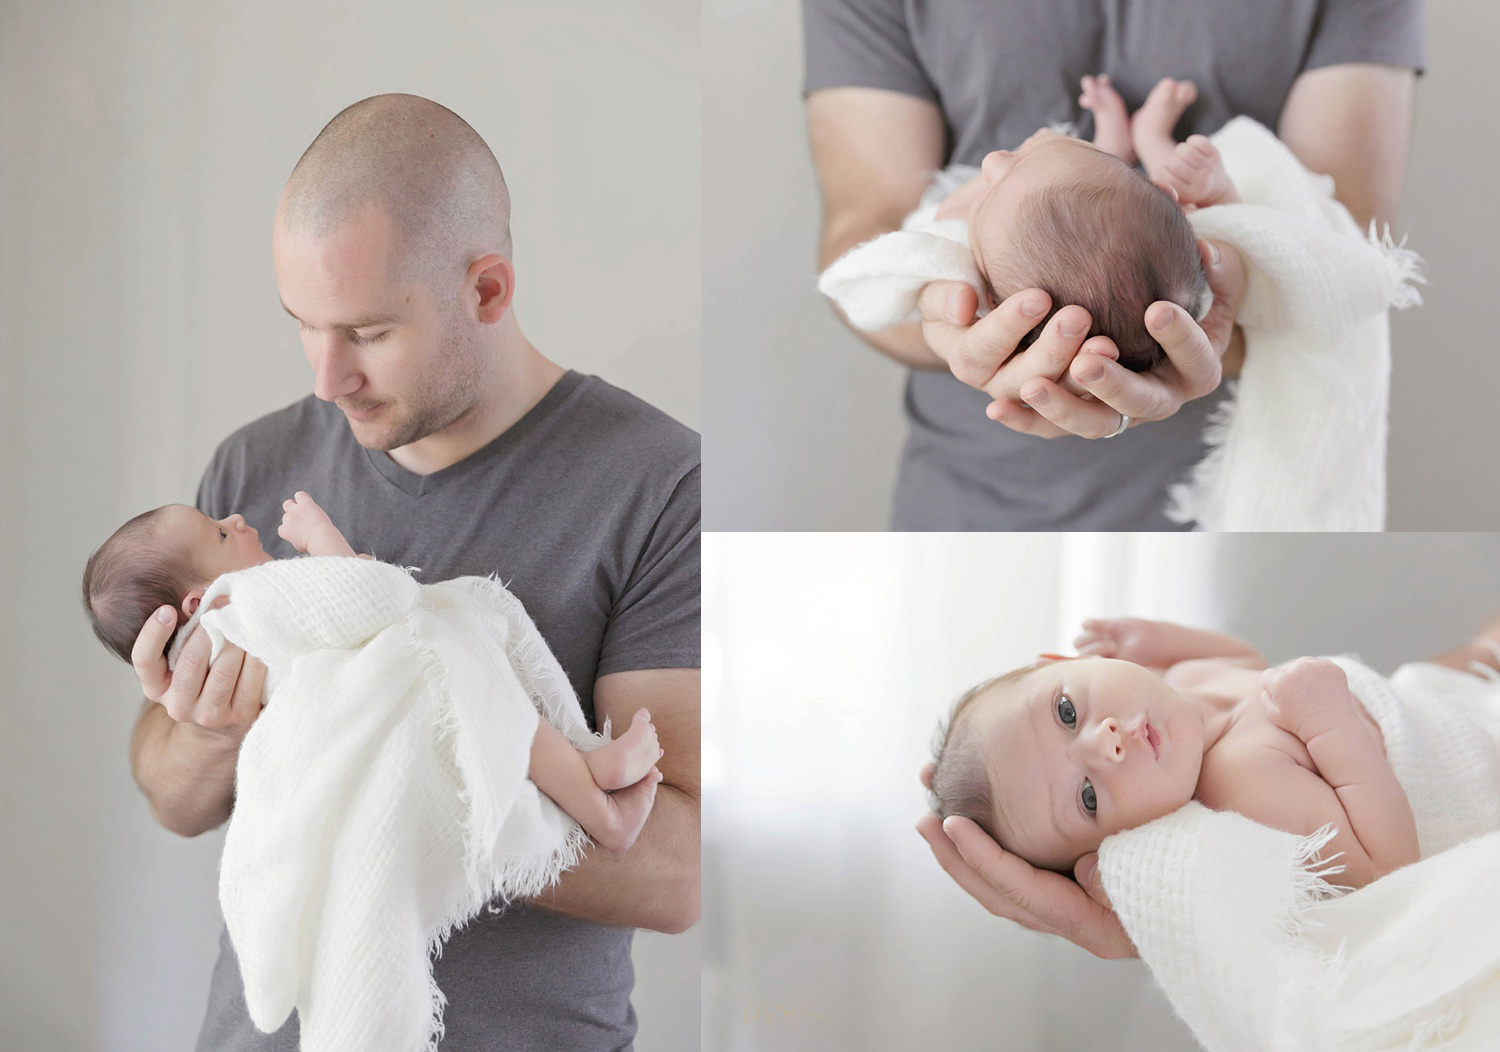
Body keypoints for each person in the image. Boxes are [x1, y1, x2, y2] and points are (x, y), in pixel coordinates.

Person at [124, 94, 700, 1050]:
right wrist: (212, 732)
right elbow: (171, 795)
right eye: (302, 323)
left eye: (368, 332)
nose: (325, 377)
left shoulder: (655, 485)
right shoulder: (244, 484)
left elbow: (674, 870)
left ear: (487, 290)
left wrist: (400, 762)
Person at [803, 0, 1422, 529]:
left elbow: (1342, 240)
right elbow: (863, 224)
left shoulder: (995, 216)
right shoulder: (1159, 223)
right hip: (973, 503)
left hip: (1217, 510)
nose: (992, 162)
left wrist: (945, 243)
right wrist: (944, 324)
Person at [86, 497, 666, 854]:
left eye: (368, 332)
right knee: (499, 712)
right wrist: (321, 541)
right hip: (405, 721)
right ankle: (604, 812)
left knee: (504, 719)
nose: (234, 517)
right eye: (218, 533)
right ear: (195, 605)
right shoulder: (244, 609)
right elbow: (363, 597)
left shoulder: (232, 621)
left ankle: (591, 775)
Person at [927, 620, 1424, 891]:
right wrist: (1330, 722)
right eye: (1088, 797)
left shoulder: (1180, 684)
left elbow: (1246, 663)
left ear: (1073, 661)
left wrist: (1163, 639)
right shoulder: (1244, 785)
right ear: (1120, 846)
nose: (1107, 743)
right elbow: (1385, 864)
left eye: (1066, 711)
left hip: (1431, 691)